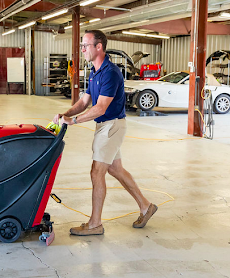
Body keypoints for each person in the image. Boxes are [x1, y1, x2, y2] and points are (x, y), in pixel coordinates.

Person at [53, 30, 157, 236]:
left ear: (98, 47)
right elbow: (84, 102)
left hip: (111, 126)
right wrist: (64, 114)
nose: (82, 49)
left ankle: (95, 224)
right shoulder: (95, 71)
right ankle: (146, 206)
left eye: (85, 45)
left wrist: (73, 121)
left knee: (96, 172)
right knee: (116, 169)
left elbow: (100, 108)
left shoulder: (110, 72)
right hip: (106, 126)